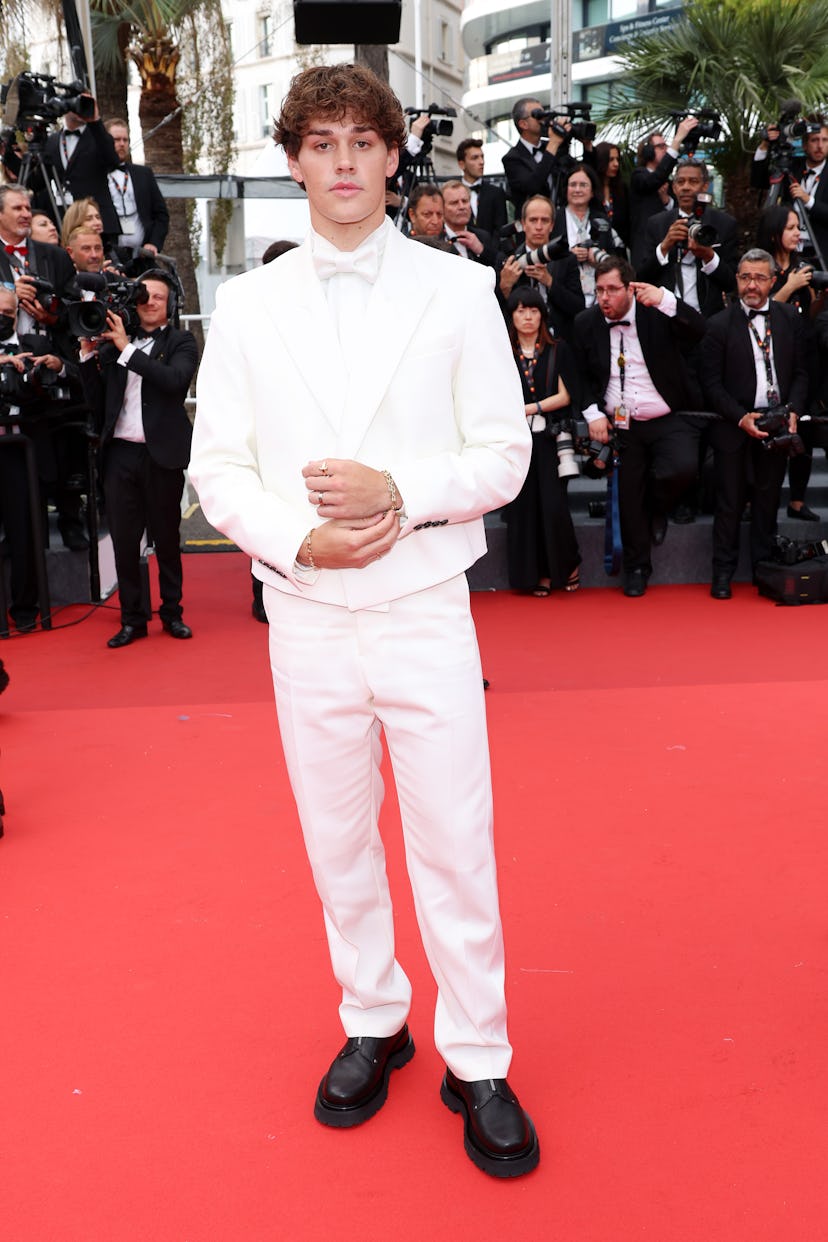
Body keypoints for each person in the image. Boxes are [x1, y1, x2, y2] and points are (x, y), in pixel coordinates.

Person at [189, 62, 539, 1179]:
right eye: (321, 143)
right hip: (305, 615)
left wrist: (397, 490)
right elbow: (218, 470)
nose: (343, 163)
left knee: (453, 839)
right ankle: (374, 1017)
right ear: (293, 162)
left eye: (362, 142)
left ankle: (476, 1054)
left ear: (394, 156)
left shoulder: (458, 291)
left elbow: (505, 453)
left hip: (424, 600)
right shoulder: (243, 305)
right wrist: (300, 541)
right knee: (337, 841)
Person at [572, 256, 705, 597]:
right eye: (599, 290)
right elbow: (577, 374)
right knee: (628, 496)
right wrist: (592, 414)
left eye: (612, 289)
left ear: (630, 289)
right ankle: (636, 568)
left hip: (667, 416)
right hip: (621, 424)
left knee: (681, 469)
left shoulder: (655, 312)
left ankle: (658, 510)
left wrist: (665, 299)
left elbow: (698, 329)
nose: (604, 297)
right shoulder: (586, 322)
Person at [79, 272, 198, 647]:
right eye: (145, 296)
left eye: (159, 297)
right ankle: (132, 619)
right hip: (120, 454)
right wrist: (86, 354)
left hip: (161, 454)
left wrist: (128, 349)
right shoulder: (113, 347)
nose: (150, 302)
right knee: (124, 543)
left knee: (166, 538)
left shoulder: (181, 341)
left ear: (170, 305)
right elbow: (97, 404)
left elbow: (175, 381)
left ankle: (172, 613)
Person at [702, 249, 809, 599]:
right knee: (730, 502)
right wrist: (739, 417)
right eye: (745, 277)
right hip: (734, 425)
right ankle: (722, 574)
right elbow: (711, 383)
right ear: (736, 280)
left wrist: (793, 409)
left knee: (767, 500)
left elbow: (803, 372)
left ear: (773, 281)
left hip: (777, 423)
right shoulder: (718, 324)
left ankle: (764, 571)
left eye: (759, 277)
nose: (751, 284)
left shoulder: (789, 318)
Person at [501, 287, 581, 595]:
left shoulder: (558, 349)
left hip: (550, 438)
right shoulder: (502, 352)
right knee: (524, 508)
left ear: (542, 315)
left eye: (533, 310)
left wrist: (529, 408)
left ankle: (565, 567)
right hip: (514, 440)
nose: (527, 317)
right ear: (512, 317)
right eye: (520, 311)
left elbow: (565, 395)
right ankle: (532, 576)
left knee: (554, 506)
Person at [756, 204, 822, 521]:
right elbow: (759, 308)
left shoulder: (804, 266)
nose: (798, 233)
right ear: (774, 232)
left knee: (805, 427)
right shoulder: (760, 267)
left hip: (804, 354)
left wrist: (819, 297)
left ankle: (797, 500)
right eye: (791, 228)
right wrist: (790, 286)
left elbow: (808, 315)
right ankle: (750, 499)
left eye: (798, 227)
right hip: (768, 356)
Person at [638, 159, 739, 319]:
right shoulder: (657, 223)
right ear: (674, 187)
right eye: (680, 182)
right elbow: (642, 276)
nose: (686, 187)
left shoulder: (724, 224)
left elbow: (731, 283)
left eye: (693, 181)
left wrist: (709, 256)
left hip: (708, 318)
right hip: (664, 316)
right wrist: (664, 246)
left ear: (705, 186)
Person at [497, 194, 584, 342]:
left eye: (544, 221)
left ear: (551, 225)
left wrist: (550, 282)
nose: (538, 227)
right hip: (518, 341)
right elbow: (496, 312)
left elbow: (578, 307)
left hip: (558, 339)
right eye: (533, 220)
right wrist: (505, 286)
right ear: (523, 224)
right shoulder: (508, 260)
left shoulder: (566, 259)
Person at [43, 97, 121, 241]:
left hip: (99, 222)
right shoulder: (52, 141)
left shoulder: (99, 137)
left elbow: (113, 161)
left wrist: (95, 120)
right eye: (77, 102)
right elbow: (40, 181)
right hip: (64, 219)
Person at [751, 116, 828, 262]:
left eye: (824, 140)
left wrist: (808, 201)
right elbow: (758, 180)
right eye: (814, 140)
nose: (820, 145)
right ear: (804, 145)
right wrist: (764, 145)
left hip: (821, 254)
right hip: (787, 252)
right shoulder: (789, 166)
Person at [629, 118, 698, 269]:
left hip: (667, 246)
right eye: (660, 146)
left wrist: (667, 201)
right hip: (645, 248)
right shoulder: (639, 175)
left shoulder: (668, 181)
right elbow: (654, 180)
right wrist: (677, 140)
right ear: (647, 152)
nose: (665, 149)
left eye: (665, 146)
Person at [104, 119, 170, 261]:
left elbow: (161, 215)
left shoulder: (143, 174)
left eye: (125, 140)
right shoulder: (96, 176)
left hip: (141, 256)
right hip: (109, 256)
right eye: (116, 140)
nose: (122, 144)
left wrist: (153, 243)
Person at [561, 163, 625, 309]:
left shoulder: (602, 220)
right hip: (566, 296)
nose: (577, 189)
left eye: (583, 185)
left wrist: (595, 256)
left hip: (601, 297)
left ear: (592, 191)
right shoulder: (555, 219)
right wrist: (571, 256)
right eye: (573, 185)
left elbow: (615, 258)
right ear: (566, 189)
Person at [456, 137, 508, 236]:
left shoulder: (496, 193)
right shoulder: (453, 194)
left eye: (482, 157)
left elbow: (501, 231)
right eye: (475, 158)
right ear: (462, 164)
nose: (481, 162)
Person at [440, 180, 497, 266]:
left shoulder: (483, 237)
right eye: (454, 203)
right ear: (442, 208)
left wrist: (481, 250)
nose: (462, 207)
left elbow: (495, 268)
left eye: (465, 201)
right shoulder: (435, 239)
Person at [593, 141, 630, 251]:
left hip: (619, 249)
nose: (616, 164)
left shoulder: (622, 189)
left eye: (618, 159)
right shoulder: (592, 190)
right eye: (611, 160)